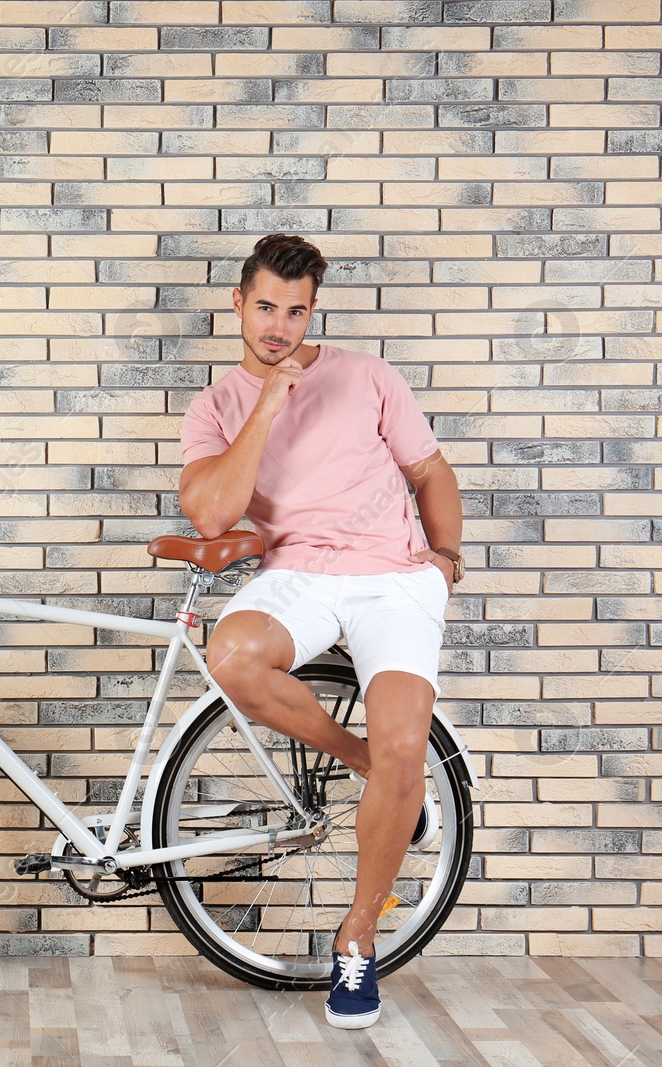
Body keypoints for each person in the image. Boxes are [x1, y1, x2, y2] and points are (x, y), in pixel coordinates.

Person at [177, 233, 464, 1029]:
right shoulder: (217, 406)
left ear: (312, 311)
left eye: (296, 311)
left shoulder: (366, 375)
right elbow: (209, 511)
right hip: (298, 574)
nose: (280, 325)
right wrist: (269, 399)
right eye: (266, 306)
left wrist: (445, 555)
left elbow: (429, 470)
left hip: (392, 578)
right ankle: (372, 769)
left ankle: (359, 936)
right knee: (232, 654)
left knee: (411, 747)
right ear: (238, 303)